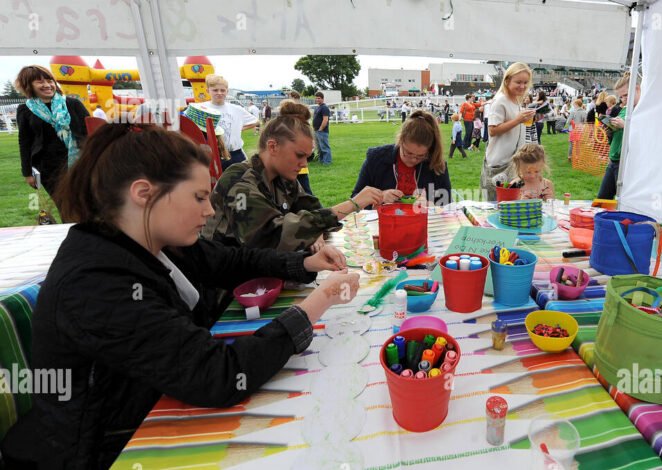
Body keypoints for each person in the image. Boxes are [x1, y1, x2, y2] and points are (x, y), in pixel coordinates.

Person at [0, 123, 360, 468]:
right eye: (200, 197)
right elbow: (219, 375)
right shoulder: (98, 283)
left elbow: (233, 259)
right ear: (144, 194)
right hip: (109, 447)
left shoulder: (151, 239)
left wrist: (306, 263)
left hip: (156, 406)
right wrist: (315, 304)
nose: (209, 209)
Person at [202, 101, 383, 252]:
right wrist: (352, 204)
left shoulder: (284, 179)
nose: (305, 164)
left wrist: (317, 232)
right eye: (299, 155)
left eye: (307, 156)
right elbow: (268, 236)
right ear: (273, 147)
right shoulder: (239, 181)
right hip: (227, 286)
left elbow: (313, 212)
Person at [15, 65, 89, 207]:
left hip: (80, 163)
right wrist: (27, 172)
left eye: (49, 80)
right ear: (28, 85)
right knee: (65, 207)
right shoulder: (25, 110)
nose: (47, 85)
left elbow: (91, 133)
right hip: (49, 169)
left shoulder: (73, 104)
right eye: (39, 82)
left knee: (88, 204)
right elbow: (24, 142)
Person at [352, 110, 452, 207]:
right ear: (400, 140)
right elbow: (355, 199)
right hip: (384, 222)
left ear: (430, 150)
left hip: (422, 222)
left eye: (421, 156)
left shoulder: (436, 164)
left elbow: (447, 205)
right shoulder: (376, 159)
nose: (413, 159)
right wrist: (380, 196)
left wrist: (432, 207)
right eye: (408, 153)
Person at [480, 62, 535, 201]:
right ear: (507, 80)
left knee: (510, 205)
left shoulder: (516, 99)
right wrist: (517, 120)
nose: (522, 86)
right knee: (495, 206)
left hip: (513, 163)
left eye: (525, 82)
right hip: (499, 164)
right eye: (518, 82)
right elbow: (492, 130)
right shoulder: (500, 100)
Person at [597, 73, 638, 200]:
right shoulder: (625, 109)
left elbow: (645, 135)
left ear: (637, 89)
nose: (624, 99)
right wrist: (610, 130)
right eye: (621, 97)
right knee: (602, 201)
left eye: (626, 95)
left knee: (624, 201)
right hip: (614, 159)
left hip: (627, 163)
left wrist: (625, 125)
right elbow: (618, 135)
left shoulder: (643, 110)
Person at [205, 74, 258, 169]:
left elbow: (255, 121)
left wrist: (239, 129)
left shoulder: (236, 109)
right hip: (212, 156)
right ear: (208, 91)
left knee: (240, 182)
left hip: (235, 154)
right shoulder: (201, 108)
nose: (219, 93)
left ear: (227, 91)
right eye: (215, 90)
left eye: (222, 90)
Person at [312, 92, 332, 165]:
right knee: (319, 147)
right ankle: (321, 160)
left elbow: (325, 120)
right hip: (316, 130)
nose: (317, 99)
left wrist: (320, 129)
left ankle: (328, 161)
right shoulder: (317, 107)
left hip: (322, 131)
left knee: (324, 146)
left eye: (319, 98)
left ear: (322, 99)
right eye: (316, 98)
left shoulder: (324, 108)